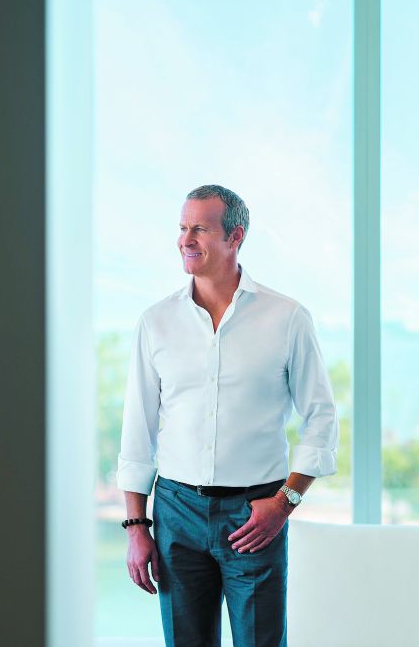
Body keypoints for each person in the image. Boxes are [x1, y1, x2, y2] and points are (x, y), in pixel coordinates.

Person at [116, 184, 339, 647]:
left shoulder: (287, 318)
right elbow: (137, 430)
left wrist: (285, 502)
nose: (185, 239)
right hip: (176, 511)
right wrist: (137, 527)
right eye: (182, 228)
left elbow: (321, 418)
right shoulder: (156, 322)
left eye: (199, 228)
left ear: (235, 237)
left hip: (256, 514)